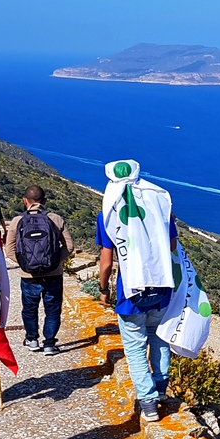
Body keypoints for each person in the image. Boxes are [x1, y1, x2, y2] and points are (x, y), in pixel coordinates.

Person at [96, 160, 178, 423]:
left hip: (130, 293)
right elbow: (172, 245)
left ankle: (148, 401)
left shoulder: (107, 213)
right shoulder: (160, 205)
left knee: (134, 347)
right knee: (159, 337)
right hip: (161, 287)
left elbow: (106, 262)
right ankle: (161, 388)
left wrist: (103, 290)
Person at [4, 185, 74, 356]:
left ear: (25, 201)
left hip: (29, 275)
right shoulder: (56, 219)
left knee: (29, 307)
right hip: (54, 274)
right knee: (52, 308)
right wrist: (54, 262)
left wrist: (25, 263)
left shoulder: (17, 221)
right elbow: (69, 246)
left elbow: (10, 250)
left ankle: (32, 339)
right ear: (45, 201)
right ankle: (49, 344)